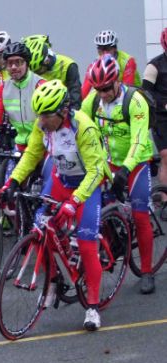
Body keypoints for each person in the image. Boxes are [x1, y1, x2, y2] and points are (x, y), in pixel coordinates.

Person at [3, 80, 108, 331]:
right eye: (38, 114)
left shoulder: (83, 127)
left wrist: (74, 201)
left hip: (87, 184)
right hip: (61, 179)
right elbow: (31, 155)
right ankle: (52, 280)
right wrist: (13, 181)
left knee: (86, 243)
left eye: (46, 115)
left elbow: (96, 171)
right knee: (41, 228)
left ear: (63, 111)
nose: (41, 120)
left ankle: (92, 306)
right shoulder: (42, 125)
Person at [82, 54, 155, 294]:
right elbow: (80, 125)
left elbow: (138, 140)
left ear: (116, 81)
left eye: (106, 88)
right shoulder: (94, 99)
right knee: (96, 206)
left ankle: (146, 271)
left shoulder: (134, 101)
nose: (102, 94)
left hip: (137, 162)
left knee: (140, 215)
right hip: (108, 162)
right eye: (98, 89)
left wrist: (125, 169)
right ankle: (114, 238)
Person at [0, 41, 45, 172]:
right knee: (9, 183)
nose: (14, 67)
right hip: (20, 144)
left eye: (18, 62)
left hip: (43, 144)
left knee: (47, 182)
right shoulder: (3, 89)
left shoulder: (40, 85)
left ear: (27, 63)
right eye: (10, 63)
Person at [24, 35, 82, 109]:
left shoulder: (68, 65)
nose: (36, 74)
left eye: (39, 70)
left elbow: (75, 97)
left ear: (46, 61)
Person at [81, 30, 141, 99]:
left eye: (108, 49)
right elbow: (84, 90)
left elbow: (127, 89)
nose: (105, 53)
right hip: (111, 95)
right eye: (101, 50)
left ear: (115, 48)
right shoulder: (95, 64)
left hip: (134, 95)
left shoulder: (128, 61)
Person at [143, 27, 167, 191]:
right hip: (160, 117)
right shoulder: (154, 66)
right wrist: (163, 104)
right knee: (166, 156)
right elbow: (145, 94)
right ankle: (165, 198)